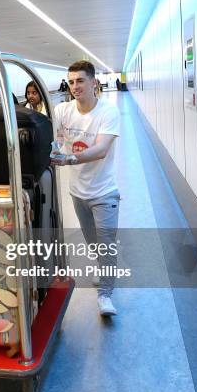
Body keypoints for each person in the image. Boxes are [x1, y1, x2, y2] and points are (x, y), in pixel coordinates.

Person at [50, 60, 121, 317]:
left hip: (104, 192)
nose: (75, 86)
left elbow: (101, 150)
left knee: (106, 245)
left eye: (80, 81)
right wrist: (56, 150)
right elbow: (56, 139)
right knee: (94, 244)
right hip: (77, 191)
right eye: (71, 82)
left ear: (93, 83)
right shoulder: (62, 110)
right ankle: (103, 269)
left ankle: (105, 295)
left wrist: (68, 159)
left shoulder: (107, 113)